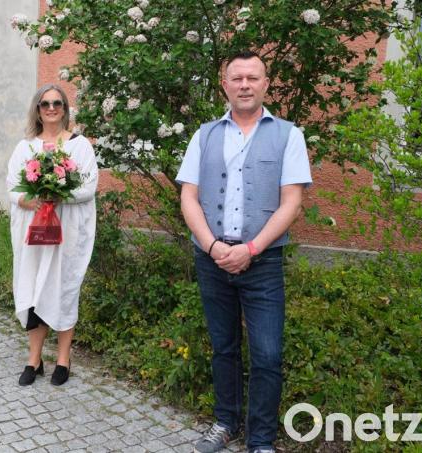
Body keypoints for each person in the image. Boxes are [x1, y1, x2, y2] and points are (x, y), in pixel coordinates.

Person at [176, 51, 312, 453]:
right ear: (225, 85)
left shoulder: (289, 135)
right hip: (212, 259)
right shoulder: (204, 135)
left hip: (263, 262)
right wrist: (213, 246)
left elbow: (292, 203)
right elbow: (189, 197)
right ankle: (225, 422)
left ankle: (262, 440)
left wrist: (251, 248)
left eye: (253, 77)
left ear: (266, 83)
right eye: (237, 78)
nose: (245, 85)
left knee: (267, 354)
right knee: (224, 347)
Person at [5, 84, 99, 386]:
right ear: (37, 109)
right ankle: (34, 359)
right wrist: (27, 200)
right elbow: (11, 186)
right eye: (45, 104)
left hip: (66, 233)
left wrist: (60, 196)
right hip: (33, 235)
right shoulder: (26, 147)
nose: (51, 108)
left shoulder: (79, 146)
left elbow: (88, 187)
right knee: (32, 290)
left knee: (63, 289)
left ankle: (63, 357)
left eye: (57, 103)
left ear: (65, 108)